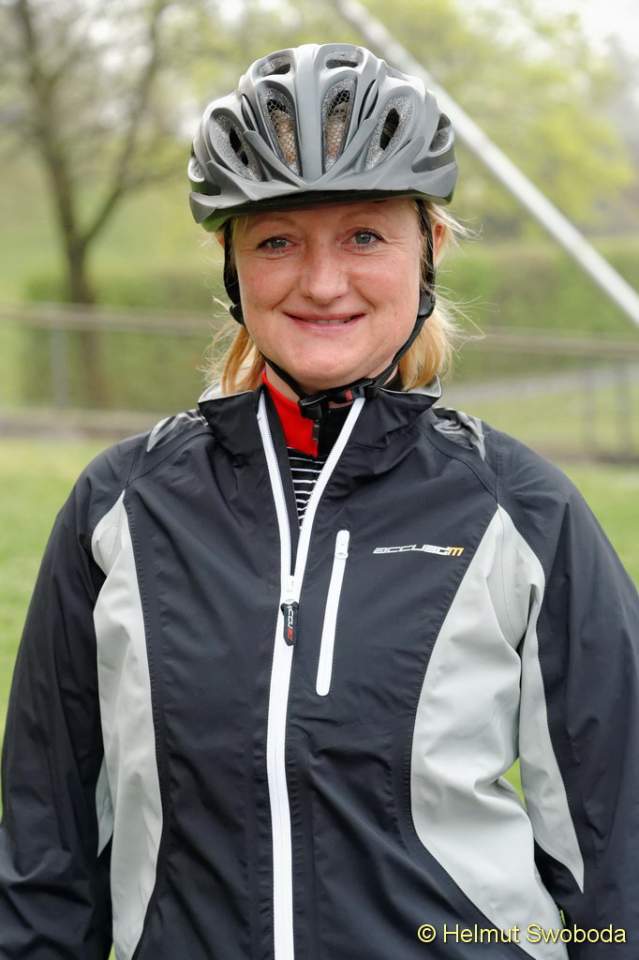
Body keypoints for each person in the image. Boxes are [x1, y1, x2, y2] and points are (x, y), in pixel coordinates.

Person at [1, 41, 637, 960]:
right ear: (233, 269)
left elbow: (616, 859)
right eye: (277, 241)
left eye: (364, 236)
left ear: (428, 253)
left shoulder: (522, 512)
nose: (323, 282)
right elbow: (44, 856)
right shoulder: (120, 510)